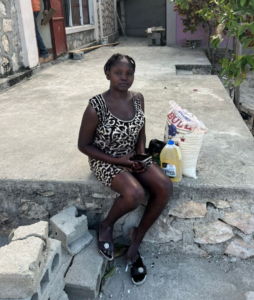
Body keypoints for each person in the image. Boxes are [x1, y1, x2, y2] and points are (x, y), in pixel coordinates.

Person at [78, 53, 173, 285]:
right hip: (106, 159)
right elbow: (83, 145)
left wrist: (141, 156)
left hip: (133, 157)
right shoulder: (96, 106)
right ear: (107, 73)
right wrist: (120, 161)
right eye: (118, 73)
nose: (124, 77)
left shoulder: (138, 98)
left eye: (129, 73)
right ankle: (106, 225)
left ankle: (136, 238)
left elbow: (141, 129)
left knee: (164, 186)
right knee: (135, 194)